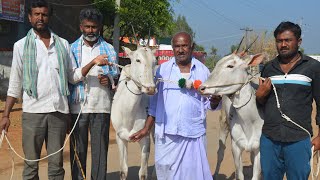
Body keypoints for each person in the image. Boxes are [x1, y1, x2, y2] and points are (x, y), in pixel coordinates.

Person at [0, 1, 109, 179]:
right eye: (36, 14)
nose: (40, 18)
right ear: (30, 17)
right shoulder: (21, 46)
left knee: (56, 166)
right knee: (30, 165)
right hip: (33, 112)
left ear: (49, 17)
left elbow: (72, 77)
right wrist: (5, 115)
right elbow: (15, 84)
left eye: (44, 14)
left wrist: (91, 63)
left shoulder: (63, 44)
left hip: (58, 112)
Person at [129, 32, 222, 180]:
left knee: (192, 175)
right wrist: (146, 129)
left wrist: (215, 100)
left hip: (193, 135)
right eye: (177, 46)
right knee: (166, 174)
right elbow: (154, 105)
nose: (180, 50)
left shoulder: (203, 71)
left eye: (184, 45)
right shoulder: (162, 70)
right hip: (167, 136)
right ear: (173, 48)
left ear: (192, 47)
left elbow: (210, 104)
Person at [256, 21, 320, 180]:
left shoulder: (313, 67)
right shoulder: (268, 68)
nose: (283, 44)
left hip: (299, 138)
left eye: (287, 40)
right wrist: (260, 95)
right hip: (270, 139)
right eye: (279, 41)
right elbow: (260, 105)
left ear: (298, 42)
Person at [69, 8, 118, 180]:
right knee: (78, 151)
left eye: (94, 27)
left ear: (99, 28)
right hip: (78, 107)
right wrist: (93, 62)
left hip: (101, 106)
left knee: (100, 152)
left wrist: (109, 81)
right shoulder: (72, 48)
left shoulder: (109, 49)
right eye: (87, 27)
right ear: (81, 27)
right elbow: (72, 77)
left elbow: (115, 77)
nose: (91, 30)